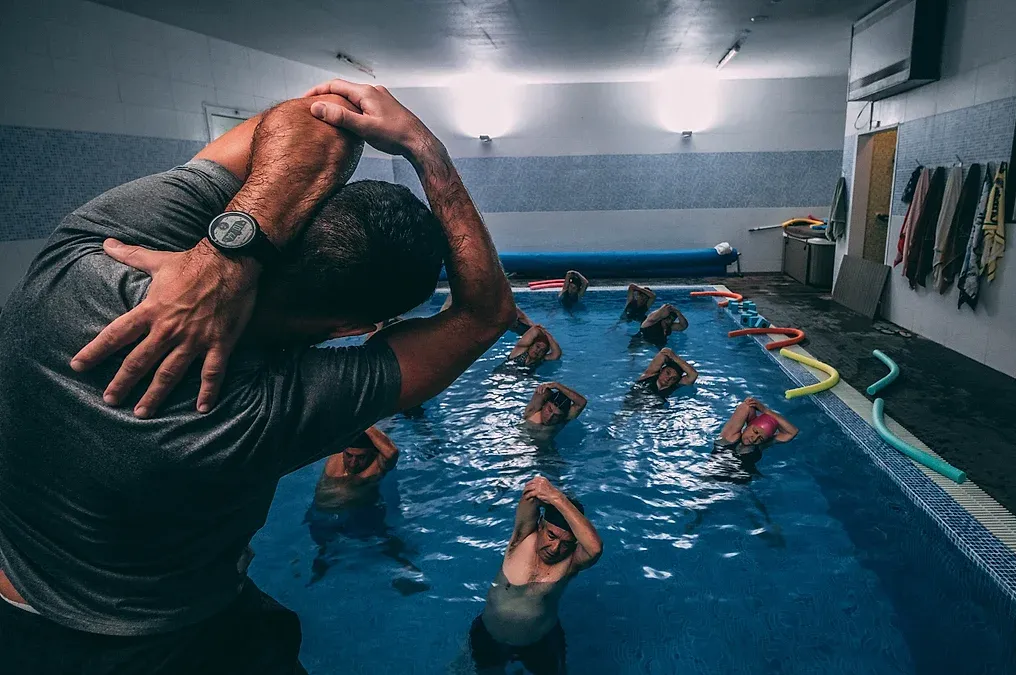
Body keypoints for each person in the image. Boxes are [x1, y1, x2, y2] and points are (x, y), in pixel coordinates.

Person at [0, 79, 515, 673]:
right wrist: (429, 152)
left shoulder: (92, 255)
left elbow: (316, 117)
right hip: (150, 639)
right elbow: (485, 315)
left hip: (23, 592)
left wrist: (228, 252)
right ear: (353, 327)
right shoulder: (249, 414)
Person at [469, 477, 602, 675]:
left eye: (566, 543)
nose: (555, 548)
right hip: (490, 634)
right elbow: (532, 491)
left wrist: (558, 498)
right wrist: (549, 492)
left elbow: (595, 548)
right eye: (551, 536)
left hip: (540, 641)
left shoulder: (571, 562)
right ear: (540, 525)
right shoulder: (521, 539)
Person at [306, 427, 428, 595]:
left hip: (360, 513)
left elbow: (392, 452)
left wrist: (364, 423)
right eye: (349, 455)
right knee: (323, 545)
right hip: (321, 515)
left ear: (371, 453)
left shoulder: (376, 466)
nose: (353, 462)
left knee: (381, 539)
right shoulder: (335, 456)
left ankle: (405, 566)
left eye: (360, 457)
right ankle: (323, 564)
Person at [714, 397, 799, 467]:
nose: (754, 439)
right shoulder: (730, 436)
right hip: (715, 476)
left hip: (742, 482)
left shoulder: (761, 445)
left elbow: (792, 432)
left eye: (761, 438)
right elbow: (746, 407)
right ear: (748, 426)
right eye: (755, 431)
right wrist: (753, 417)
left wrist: (766, 411)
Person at [631, 347, 698, 399]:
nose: (668, 379)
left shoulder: (674, 386)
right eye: (667, 373)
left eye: (673, 378)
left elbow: (693, 374)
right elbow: (664, 352)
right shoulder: (648, 375)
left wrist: (675, 358)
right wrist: (673, 356)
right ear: (661, 370)